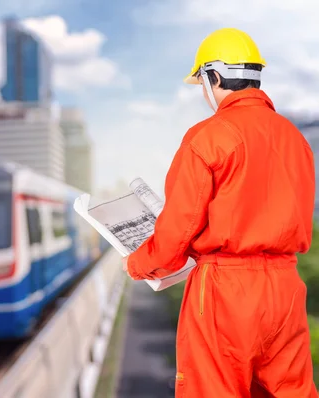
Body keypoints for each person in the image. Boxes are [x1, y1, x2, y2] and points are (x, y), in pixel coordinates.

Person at [122, 27, 318, 397]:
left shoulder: (207, 137)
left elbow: (175, 233)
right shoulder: (296, 140)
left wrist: (136, 263)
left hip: (225, 291)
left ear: (214, 76)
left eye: (202, 83)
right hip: (286, 289)